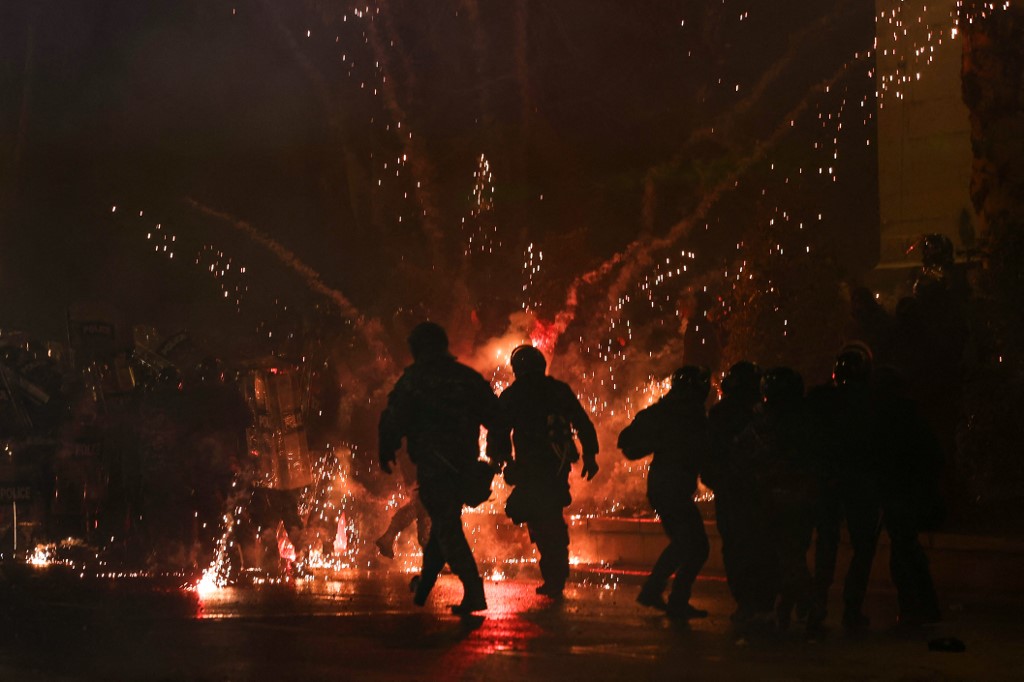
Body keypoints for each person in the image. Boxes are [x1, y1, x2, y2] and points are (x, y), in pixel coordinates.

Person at [378, 322, 510, 615]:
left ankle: (473, 592)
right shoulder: (465, 378)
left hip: (434, 468)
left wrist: (386, 449)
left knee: (447, 528)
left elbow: (393, 418)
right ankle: (424, 587)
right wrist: (496, 457)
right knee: (442, 525)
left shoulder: (415, 380)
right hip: (463, 466)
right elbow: (497, 417)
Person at [496, 344, 599, 600]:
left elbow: (498, 431)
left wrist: (502, 461)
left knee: (539, 519)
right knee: (548, 516)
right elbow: (582, 423)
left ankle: (555, 577)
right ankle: (556, 576)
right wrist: (589, 455)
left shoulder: (514, 395)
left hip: (531, 468)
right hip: (556, 467)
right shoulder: (558, 390)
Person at [617, 365, 711, 619]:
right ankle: (663, 594)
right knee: (692, 544)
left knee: (691, 544)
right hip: (670, 489)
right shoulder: (680, 413)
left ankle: (663, 594)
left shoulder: (674, 410)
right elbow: (628, 440)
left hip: (668, 487)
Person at [806, 344, 882, 632]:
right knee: (863, 546)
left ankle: (818, 602)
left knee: (826, 543)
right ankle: (851, 607)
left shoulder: (820, 399)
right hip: (859, 482)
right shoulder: (871, 401)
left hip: (827, 481)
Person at [737, 367, 818, 634]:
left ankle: (802, 604)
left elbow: (742, 455)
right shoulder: (805, 422)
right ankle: (797, 605)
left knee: (784, 556)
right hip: (800, 499)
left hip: (772, 500)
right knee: (793, 554)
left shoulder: (760, 424)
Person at [705, 361, 777, 623]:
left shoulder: (723, 414)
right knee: (759, 547)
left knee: (738, 549)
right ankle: (762, 602)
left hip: (736, 493)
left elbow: (709, 457)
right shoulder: (762, 413)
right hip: (753, 492)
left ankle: (748, 602)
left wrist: (717, 481)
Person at [873, 366, 943, 627]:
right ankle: (922, 606)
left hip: (898, 493)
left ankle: (915, 606)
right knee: (907, 549)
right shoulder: (913, 418)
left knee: (903, 551)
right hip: (909, 493)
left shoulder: (887, 420)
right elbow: (935, 457)